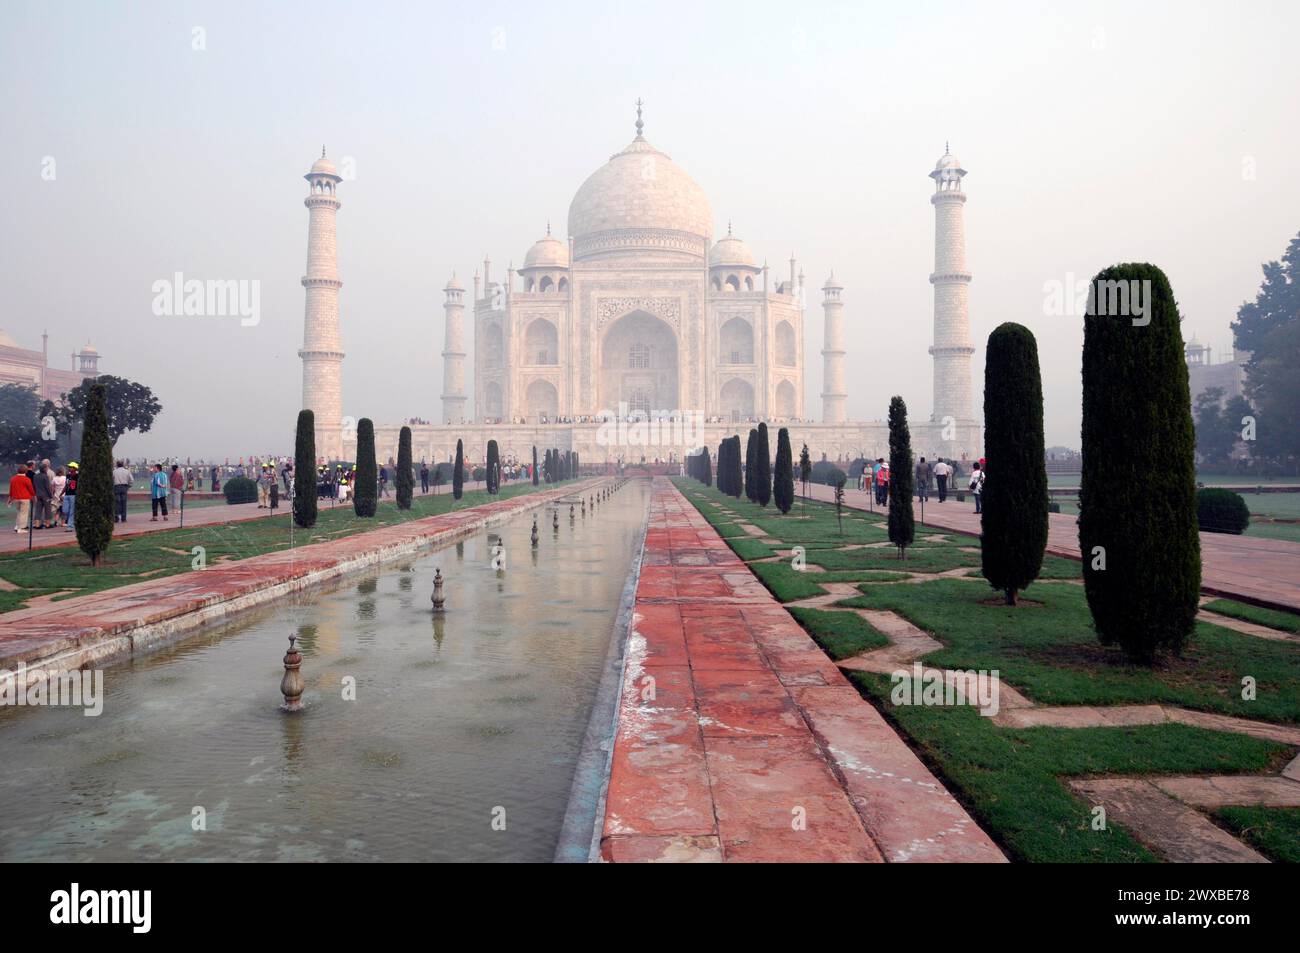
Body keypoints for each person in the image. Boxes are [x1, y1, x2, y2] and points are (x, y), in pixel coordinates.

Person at [8, 463, 35, 533]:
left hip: (16, 498)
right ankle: (21, 527)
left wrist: (10, 498)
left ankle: (17, 526)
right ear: (25, 471)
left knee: (19, 512)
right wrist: (33, 496)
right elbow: (31, 489)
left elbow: (11, 489)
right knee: (24, 513)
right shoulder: (27, 479)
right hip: (25, 498)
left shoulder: (13, 479)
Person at [32, 459, 54, 529]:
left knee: (38, 510)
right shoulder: (45, 476)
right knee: (48, 510)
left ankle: (37, 524)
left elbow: (34, 486)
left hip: (38, 495)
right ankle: (47, 524)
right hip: (46, 496)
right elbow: (48, 487)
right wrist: (51, 495)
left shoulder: (35, 476)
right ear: (44, 469)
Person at [61, 462, 78, 531]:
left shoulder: (77, 476)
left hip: (74, 494)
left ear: (75, 468)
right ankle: (72, 523)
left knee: (72, 511)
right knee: (65, 510)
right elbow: (66, 485)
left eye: (71, 467)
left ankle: (70, 526)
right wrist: (61, 493)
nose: (69, 468)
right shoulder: (68, 475)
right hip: (67, 494)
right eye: (69, 467)